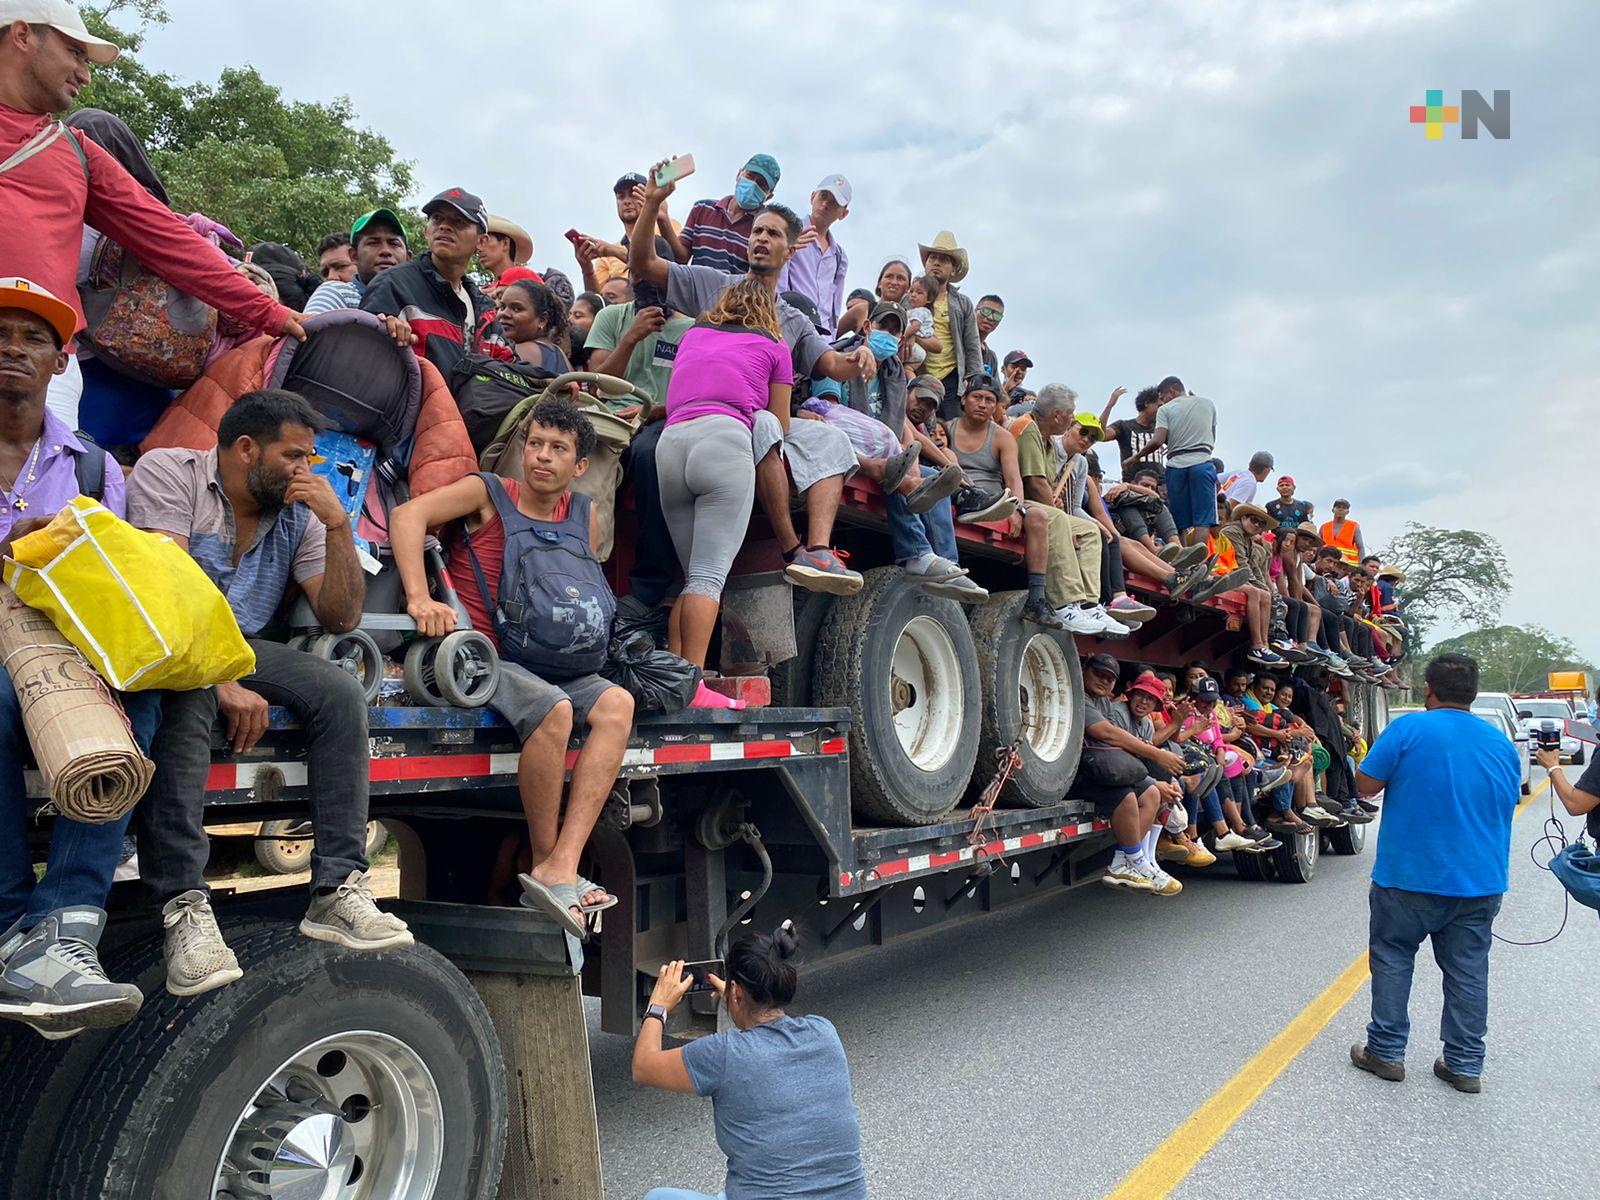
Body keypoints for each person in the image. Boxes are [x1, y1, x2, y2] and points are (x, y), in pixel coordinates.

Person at [129, 389, 411, 997]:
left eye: (309, 459)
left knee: (339, 692)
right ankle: (183, 906)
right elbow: (165, 594)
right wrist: (220, 677)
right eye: (294, 457)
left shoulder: (301, 512)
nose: (304, 471)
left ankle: (336, 889)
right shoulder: (169, 473)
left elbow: (338, 616)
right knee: (189, 696)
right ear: (246, 448)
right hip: (166, 640)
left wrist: (338, 524)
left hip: (244, 644)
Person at [392, 397, 634, 935]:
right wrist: (418, 597)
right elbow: (409, 516)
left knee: (618, 705)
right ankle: (546, 860)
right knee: (556, 712)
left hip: (562, 660)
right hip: (488, 656)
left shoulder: (584, 514)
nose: (541, 457)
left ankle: (562, 862)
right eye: (535, 444)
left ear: (579, 467)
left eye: (558, 449)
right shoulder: (489, 492)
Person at [0, 10, 303, 426]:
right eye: (75, 53)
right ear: (22, 36)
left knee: (45, 490)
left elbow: (170, 242)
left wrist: (277, 315)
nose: (84, 75)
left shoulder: (77, 152)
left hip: (49, 377)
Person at [0, 278, 164, 1037]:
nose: (13, 348)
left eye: (34, 338)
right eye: (2, 332)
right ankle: (10, 926)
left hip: (58, 640)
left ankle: (66, 923)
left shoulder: (97, 469)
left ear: (62, 360)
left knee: (140, 697)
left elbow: (112, 580)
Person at [632, 165, 886, 596]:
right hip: (712, 415)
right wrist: (654, 202)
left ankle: (817, 552)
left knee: (832, 441)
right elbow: (642, 263)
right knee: (646, 449)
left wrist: (859, 353)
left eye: (772, 234)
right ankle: (656, 587)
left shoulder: (793, 320)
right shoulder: (714, 284)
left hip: (766, 420)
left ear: (790, 251)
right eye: (757, 232)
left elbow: (832, 365)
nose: (761, 239)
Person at [1351, 653, 1520, 1094]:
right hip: (1479, 879)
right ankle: (1464, 1064)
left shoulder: (1408, 729)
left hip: (1407, 876)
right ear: (1473, 693)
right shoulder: (1499, 743)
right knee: (1467, 970)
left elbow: (1365, 785)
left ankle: (1386, 1052)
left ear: (1428, 689)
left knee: (1392, 957)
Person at [633, 925, 868, 1200]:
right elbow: (769, 1033)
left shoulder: (723, 1054)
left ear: (736, 993)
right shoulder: (824, 1031)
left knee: (657, 1197)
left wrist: (658, 1006)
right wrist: (737, 1001)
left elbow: (643, 1066)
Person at [654, 277, 791, 702]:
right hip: (724, 438)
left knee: (688, 577)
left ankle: (674, 680)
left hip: (671, 443)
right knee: (708, 578)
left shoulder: (694, 334)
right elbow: (779, 423)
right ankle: (693, 688)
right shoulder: (775, 347)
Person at [360, 187, 510, 383]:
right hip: (409, 412)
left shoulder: (485, 309)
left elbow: (509, 364)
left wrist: (544, 379)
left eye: (459, 222)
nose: (445, 226)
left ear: (480, 242)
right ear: (426, 231)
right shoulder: (393, 285)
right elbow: (363, 362)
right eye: (437, 219)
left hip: (472, 413)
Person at [1071, 654, 1185, 896]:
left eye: (1110, 678)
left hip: (1101, 769)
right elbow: (1105, 733)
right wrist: (1156, 755)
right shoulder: (1080, 696)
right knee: (1128, 797)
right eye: (1099, 674)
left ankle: (1126, 862)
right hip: (1079, 772)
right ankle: (1136, 859)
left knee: (1152, 794)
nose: (1104, 681)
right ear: (1083, 670)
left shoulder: (1102, 701)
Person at [1126, 376, 1216, 540]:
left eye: (1162, 398)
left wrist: (1136, 457)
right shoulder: (1207, 403)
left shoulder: (1165, 410)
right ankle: (1200, 564)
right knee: (1202, 521)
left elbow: (1158, 440)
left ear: (1172, 390)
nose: (1161, 402)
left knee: (1179, 522)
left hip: (1176, 466)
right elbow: (1212, 437)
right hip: (1202, 461)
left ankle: (1183, 562)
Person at [672, 153, 781, 274]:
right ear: (739, 174)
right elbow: (681, 257)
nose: (753, 185)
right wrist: (662, 216)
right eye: (750, 176)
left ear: (769, 196)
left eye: (761, 184)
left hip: (734, 292)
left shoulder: (762, 230)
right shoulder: (703, 208)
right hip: (694, 289)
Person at [915, 230, 982, 418]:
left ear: (953, 269)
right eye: (932, 257)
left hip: (952, 380)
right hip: (916, 375)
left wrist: (974, 382)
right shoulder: (912, 297)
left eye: (943, 259)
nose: (936, 262)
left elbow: (972, 345)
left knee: (951, 431)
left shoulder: (962, 303)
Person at [776, 175, 850, 333]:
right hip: (789, 325)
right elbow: (779, 285)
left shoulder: (839, 257)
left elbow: (834, 310)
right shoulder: (789, 232)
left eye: (833, 203)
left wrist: (831, 340)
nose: (825, 205)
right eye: (823, 196)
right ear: (812, 197)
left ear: (843, 214)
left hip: (822, 337)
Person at [303, 208, 411, 315]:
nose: (385, 251)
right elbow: (308, 330)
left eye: (394, 243)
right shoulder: (336, 294)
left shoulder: (420, 300)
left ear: (408, 258)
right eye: (373, 243)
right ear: (354, 256)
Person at [498, 277, 573, 376]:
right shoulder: (560, 354)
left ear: (542, 320)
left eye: (517, 309)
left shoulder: (515, 352)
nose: (504, 313)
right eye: (502, 307)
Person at [1100, 385, 1165, 476]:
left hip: (1158, 485)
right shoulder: (1124, 426)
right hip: (1133, 482)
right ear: (1146, 403)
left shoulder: (1160, 429)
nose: (1162, 411)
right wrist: (1110, 406)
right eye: (1159, 406)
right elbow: (1101, 435)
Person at [479, 213, 533, 280]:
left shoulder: (527, 283)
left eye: (485, 241)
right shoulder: (486, 289)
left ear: (505, 243)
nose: (479, 248)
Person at [1320, 498, 1365, 566]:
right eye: (1338, 507)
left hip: (1347, 566)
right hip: (1327, 565)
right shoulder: (1324, 527)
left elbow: (1361, 548)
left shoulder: (1353, 527)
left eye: (1344, 508)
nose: (1340, 509)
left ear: (1347, 512)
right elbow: (1318, 546)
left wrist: (1361, 565)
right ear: (1333, 510)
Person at [974, 294, 1004, 379]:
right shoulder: (958, 341)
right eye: (986, 311)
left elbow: (995, 388)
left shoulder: (991, 357)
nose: (990, 318)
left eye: (997, 316)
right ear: (974, 311)